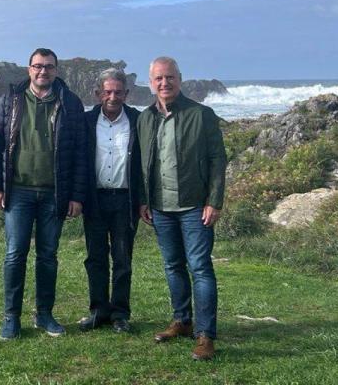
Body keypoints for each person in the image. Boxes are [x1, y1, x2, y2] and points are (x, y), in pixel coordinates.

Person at [0, 48, 87, 340]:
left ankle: (44, 315)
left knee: (48, 256)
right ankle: (11, 317)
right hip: (18, 193)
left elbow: (81, 152)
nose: (44, 72)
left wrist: (76, 196)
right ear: (29, 69)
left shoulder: (70, 103)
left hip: (55, 194)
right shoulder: (11, 99)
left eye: (49, 67)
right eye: (38, 66)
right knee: (15, 254)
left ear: (56, 70)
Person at [137, 56, 227, 360]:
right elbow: (141, 164)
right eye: (159, 79)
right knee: (172, 266)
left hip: (194, 206)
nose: (165, 83)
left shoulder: (202, 114)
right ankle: (182, 321)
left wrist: (214, 200)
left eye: (170, 77)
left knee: (200, 268)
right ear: (151, 83)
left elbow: (217, 160)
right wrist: (143, 201)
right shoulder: (145, 118)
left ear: (180, 79)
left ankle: (205, 335)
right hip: (160, 207)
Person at [78, 68, 142, 334]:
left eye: (118, 92)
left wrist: (145, 199)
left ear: (126, 94)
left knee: (122, 258)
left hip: (126, 199)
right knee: (95, 257)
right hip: (95, 198)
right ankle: (98, 310)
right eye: (107, 92)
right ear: (98, 94)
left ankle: (120, 313)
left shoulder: (140, 120)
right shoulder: (86, 120)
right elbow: (77, 160)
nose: (112, 97)